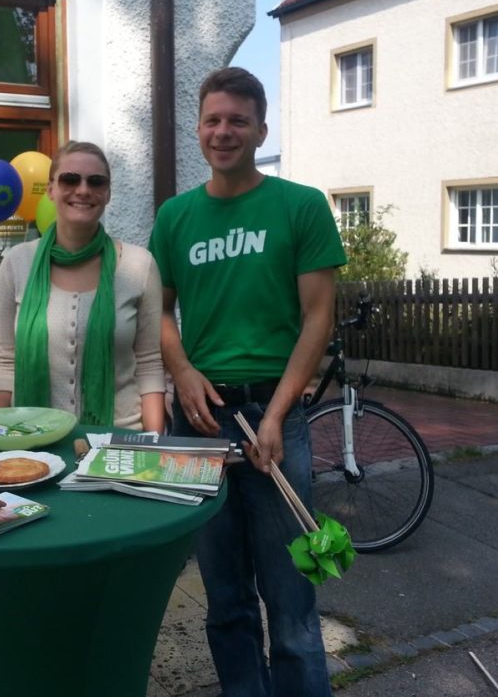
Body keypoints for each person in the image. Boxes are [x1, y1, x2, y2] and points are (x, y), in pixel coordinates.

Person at [149, 67, 346, 697]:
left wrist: (278, 413)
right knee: (225, 600)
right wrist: (181, 371)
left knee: (291, 606)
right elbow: (156, 308)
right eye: (213, 120)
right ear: (199, 130)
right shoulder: (176, 217)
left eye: (238, 120)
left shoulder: (301, 206)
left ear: (261, 129)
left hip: (273, 418)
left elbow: (319, 317)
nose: (223, 131)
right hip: (199, 426)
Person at [0, 141, 166, 432]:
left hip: (119, 441)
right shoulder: (17, 263)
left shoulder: (139, 266)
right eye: (70, 179)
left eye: (96, 182)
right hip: (33, 440)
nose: (83, 190)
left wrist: (154, 442)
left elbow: (149, 363)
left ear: (107, 193)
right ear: (51, 189)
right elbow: (1, 360)